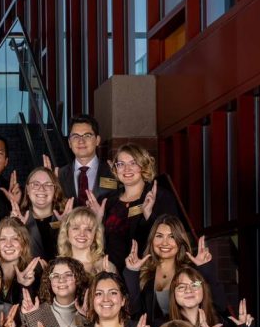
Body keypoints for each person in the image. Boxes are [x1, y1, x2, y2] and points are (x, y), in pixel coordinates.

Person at [125, 218, 224, 327]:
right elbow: (134, 312)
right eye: (159, 236)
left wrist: (205, 269)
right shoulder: (144, 273)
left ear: (180, 240)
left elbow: (219, 306)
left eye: (171, 236)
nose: (165, 242)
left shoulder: (191, 272)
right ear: (152, 240)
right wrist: (132, 271)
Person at [97, 143, 178, 273]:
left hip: (147, 273)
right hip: (111, 275)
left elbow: (172, 238)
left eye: (133, 163)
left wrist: (148, 216)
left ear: (143, 166)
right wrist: (97, 220)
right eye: (121, 164)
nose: (126, 169)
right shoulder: (106, 201)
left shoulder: (160, 197)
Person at [57, 114, 118, 206]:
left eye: (87, 135)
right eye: (75, 136)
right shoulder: (59, 175)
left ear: (97, 140)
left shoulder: (114, 172)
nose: (81, 141)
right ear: (69, 143)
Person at [14, 167, 69, 259]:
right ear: (27, 189)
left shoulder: (68, 218)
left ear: (55, 189)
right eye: (35, 184)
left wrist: (67, 226)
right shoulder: (17, 219)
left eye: (48, 184)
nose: (41, 189)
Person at [0, 217, 43, 307]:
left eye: (15, 239)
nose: (8, 244)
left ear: (24, 244)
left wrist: (25, 286)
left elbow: (32, 317)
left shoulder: (35, 277)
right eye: (2, 239)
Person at [56, 206, 114, 276]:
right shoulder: (56, 266)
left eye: (88, 229)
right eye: (76, 228)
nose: (82, 234)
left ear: (95, 235)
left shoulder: (105, 266)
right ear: (66, 232)